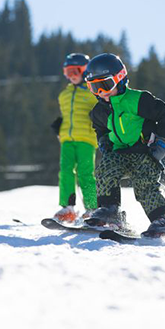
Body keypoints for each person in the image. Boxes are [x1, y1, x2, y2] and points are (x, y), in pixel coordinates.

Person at [84, 53, 165, 235]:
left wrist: (161, 143)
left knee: (144, 183)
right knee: (104, 171)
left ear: (120, 79)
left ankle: (161, 220)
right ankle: (110, 212)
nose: (101, 92)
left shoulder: (138, 100)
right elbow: (100, 128)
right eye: (95, 87)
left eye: (105, 85)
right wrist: (103, 142)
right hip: (119, 154)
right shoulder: (99, 111)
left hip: (145, 152)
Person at [51, 53, 98, 222]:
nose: (71, 76)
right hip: (67, 139)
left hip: (86, 139)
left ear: (85, 71)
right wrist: (60, 125)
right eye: (67, 72)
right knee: (65, 171)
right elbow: (69, 114)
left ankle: (93, 209)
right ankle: (67, 208)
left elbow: (103, 112)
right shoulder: (65, 94)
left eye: (74, 71)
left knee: (85, 173)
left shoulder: (93, 92)